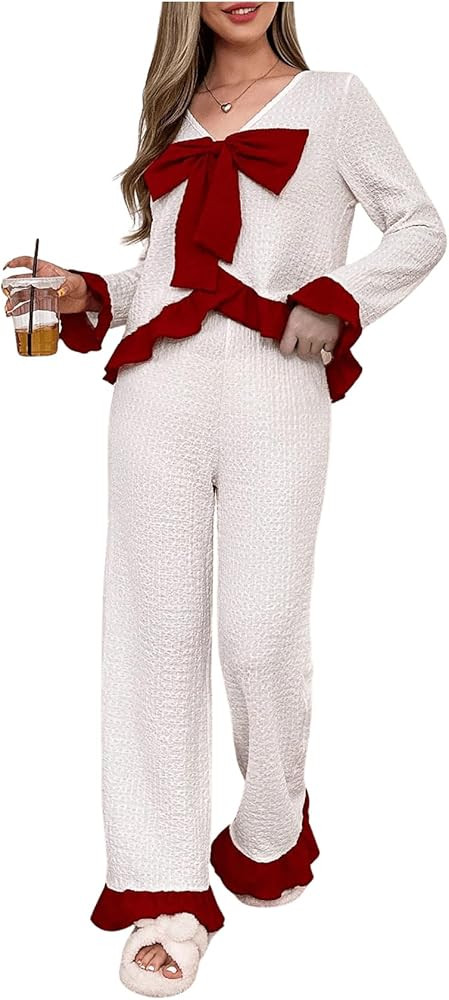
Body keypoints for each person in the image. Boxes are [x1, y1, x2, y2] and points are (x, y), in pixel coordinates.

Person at [4, 2, 446, 996]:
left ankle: (269, 826)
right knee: (149, 640)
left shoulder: (335, 100)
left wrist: (334, 299)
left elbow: (420, 226)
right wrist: (88, 293)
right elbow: (167, 276)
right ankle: (163, 890)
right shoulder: (171, 111)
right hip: (154, 393)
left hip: (276, 389)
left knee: (260, 634)